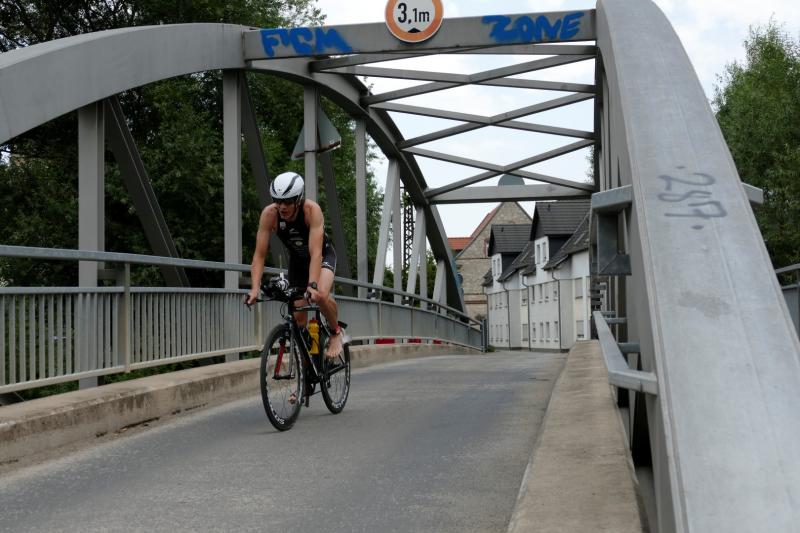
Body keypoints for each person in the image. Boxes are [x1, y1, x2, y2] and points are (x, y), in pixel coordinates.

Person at [246, 171, 344, 359]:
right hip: (298, 261)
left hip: (322, 255)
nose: (282, 206)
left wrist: (312, 285)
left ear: (298, 199)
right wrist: (254, 289)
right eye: (277, 201)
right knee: (298, 317)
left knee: (321, 294)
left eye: (288, 201)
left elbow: (316, 253)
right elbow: (259, 255)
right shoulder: (269, 214)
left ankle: (335, 333)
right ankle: (306, 365)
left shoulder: (311, 210)